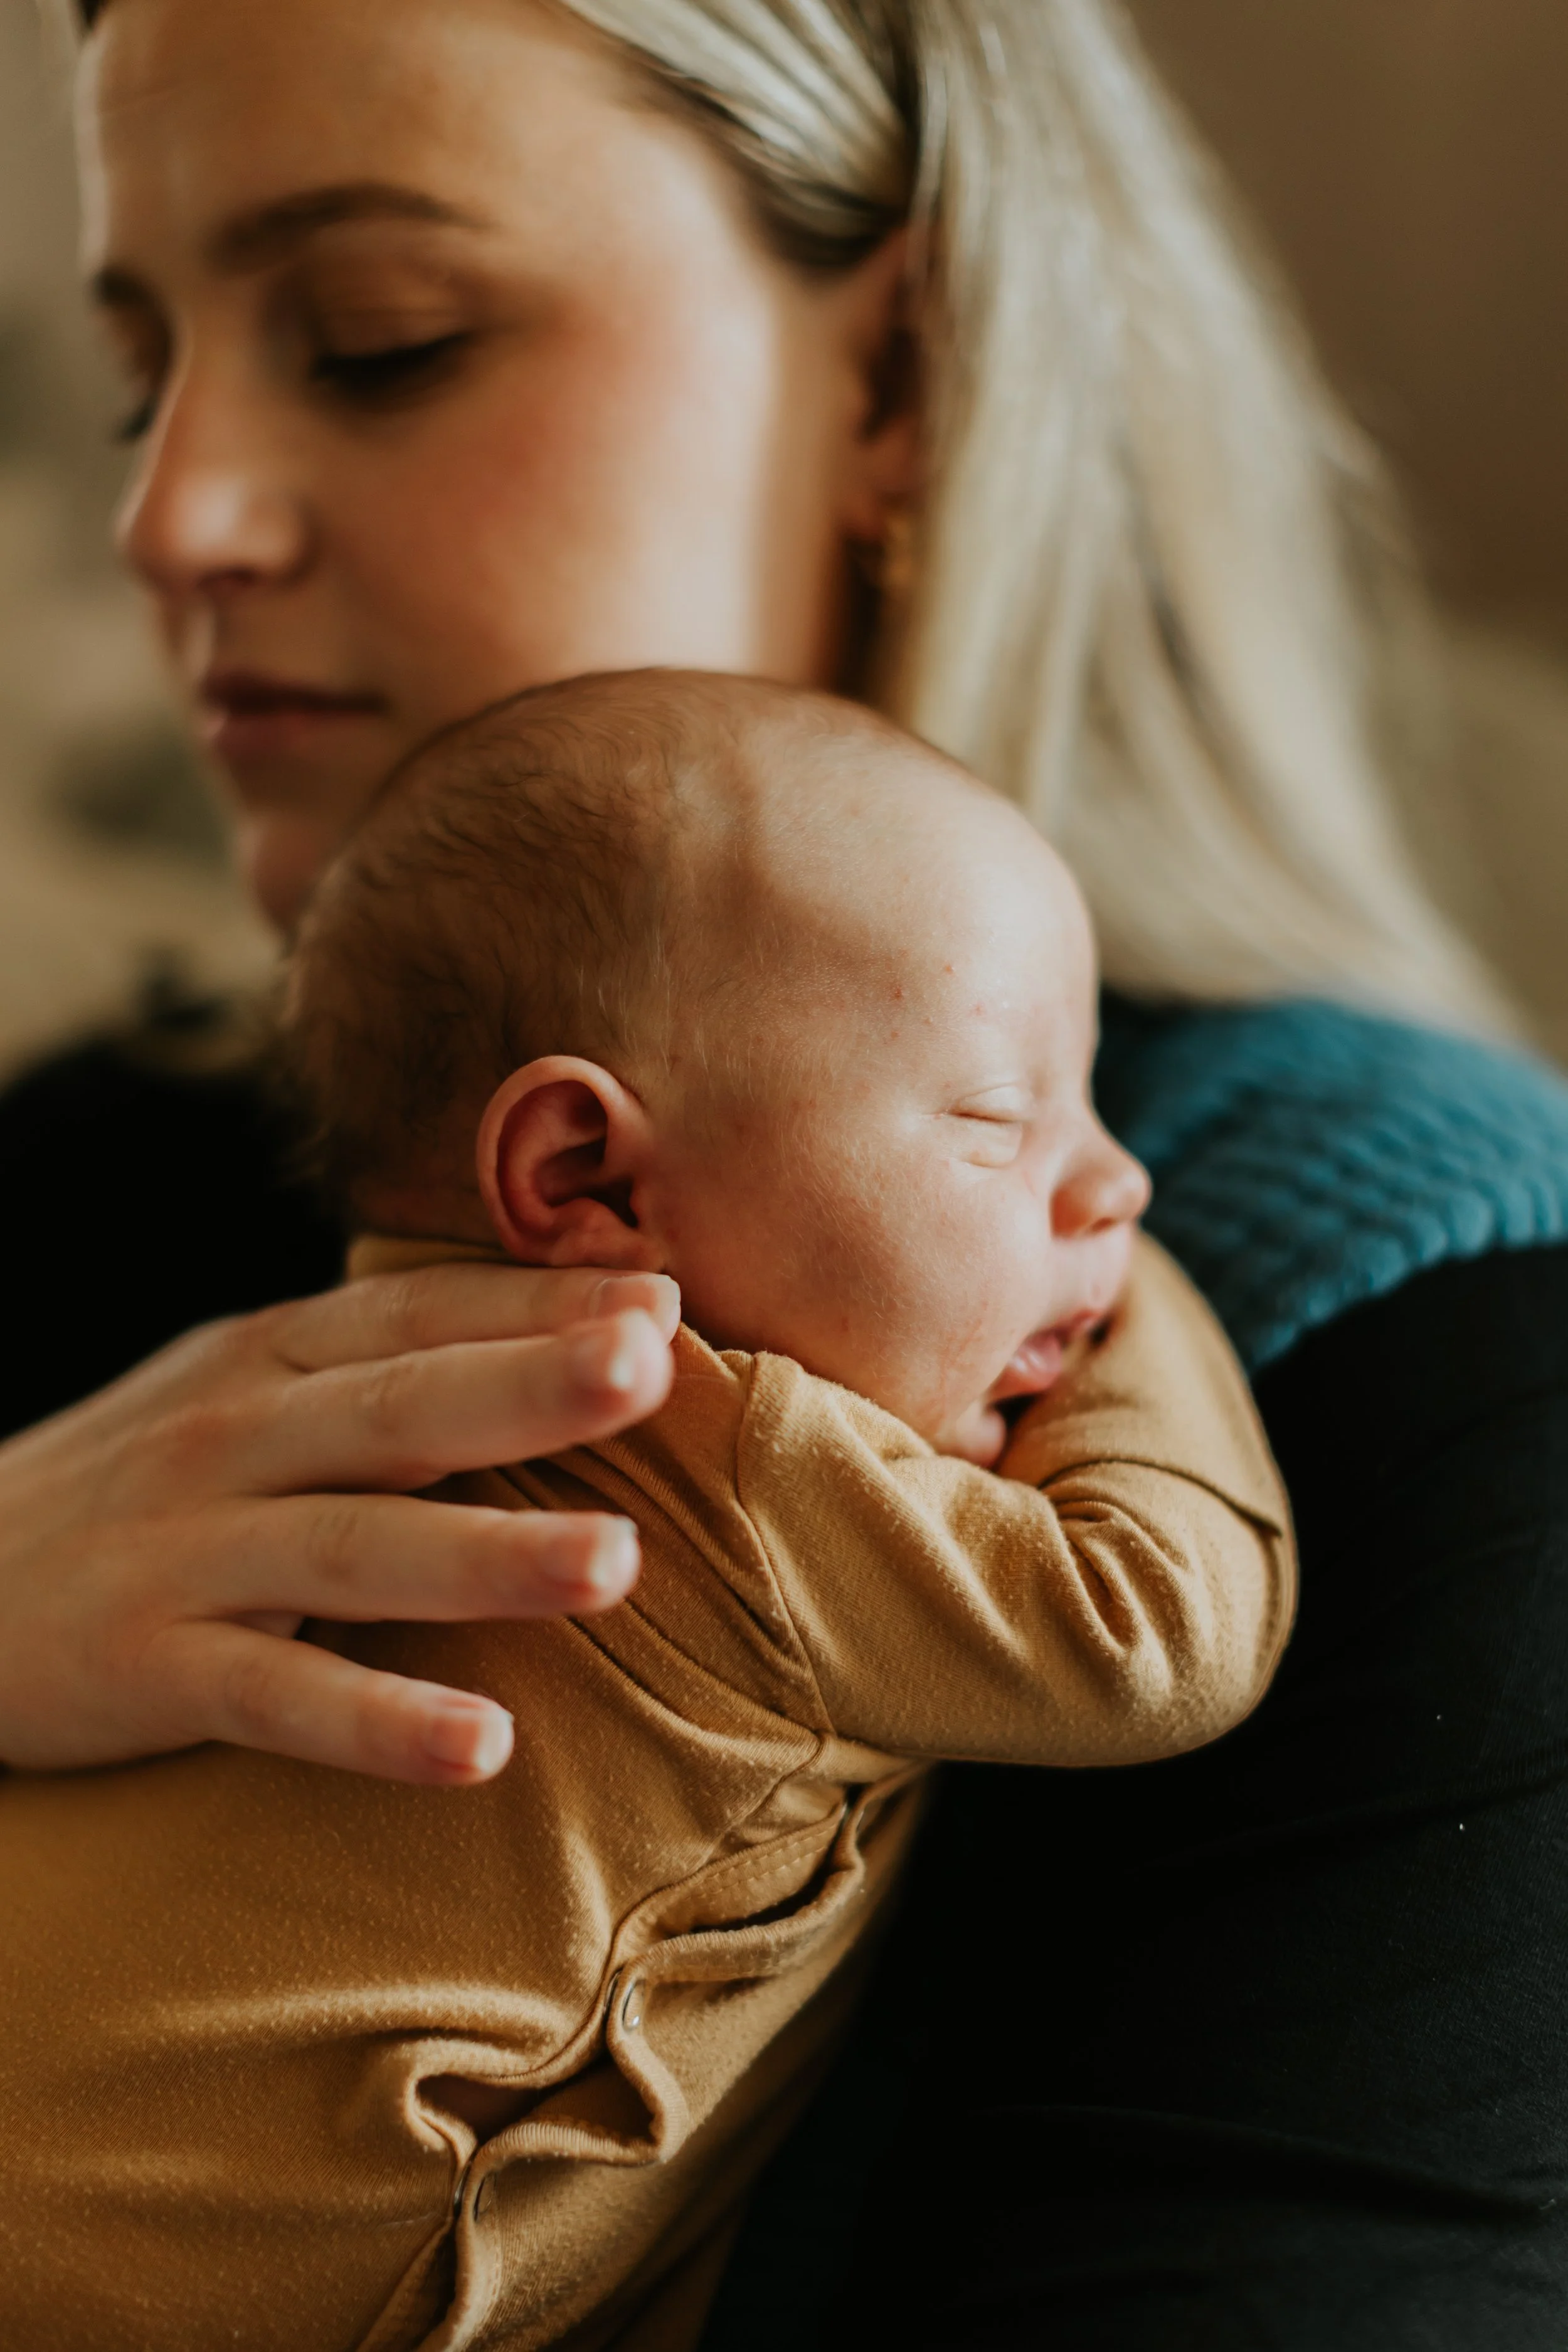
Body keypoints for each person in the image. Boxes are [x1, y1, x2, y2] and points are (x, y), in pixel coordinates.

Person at [1, 0, 1566, 2339]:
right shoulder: (74, 1185)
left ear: (903, 382)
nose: (171, 516)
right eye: (141, 379)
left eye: (377, 336)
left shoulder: (1453, 1365)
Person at [0, 671, 1295, 2348]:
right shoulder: (705, 1430)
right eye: (996, 1113)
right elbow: (1148, 1630)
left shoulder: (299, 1410)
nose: (1111, 1179)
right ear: (587, 1185)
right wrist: (1143, 1293)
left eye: (1099, 1114)